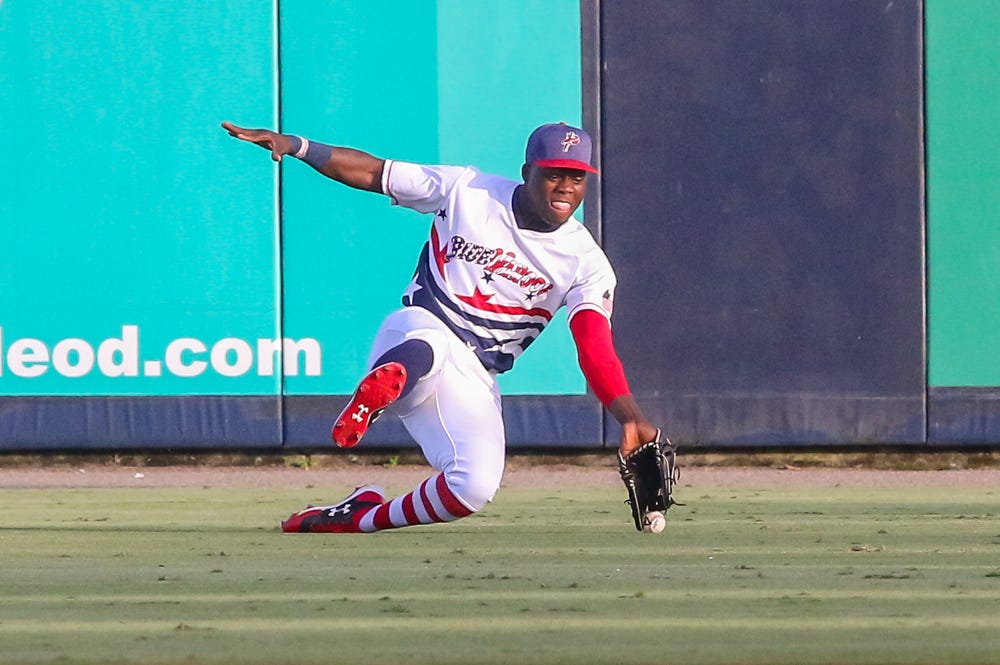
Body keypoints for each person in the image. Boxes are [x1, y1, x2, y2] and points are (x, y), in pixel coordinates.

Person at [222, 119, 661, 533]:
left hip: (473, 374)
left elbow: (593, 345)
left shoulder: (586, 263)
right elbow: (375, 172)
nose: (566, 186)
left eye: (577, 177)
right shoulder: (468, 191)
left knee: (473, 486)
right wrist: (297, 146)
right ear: (528, 172)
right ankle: (388, 381)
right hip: (415, 331)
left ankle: (361, 517)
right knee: (430, 344)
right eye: (554, 174)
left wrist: (631, 417)